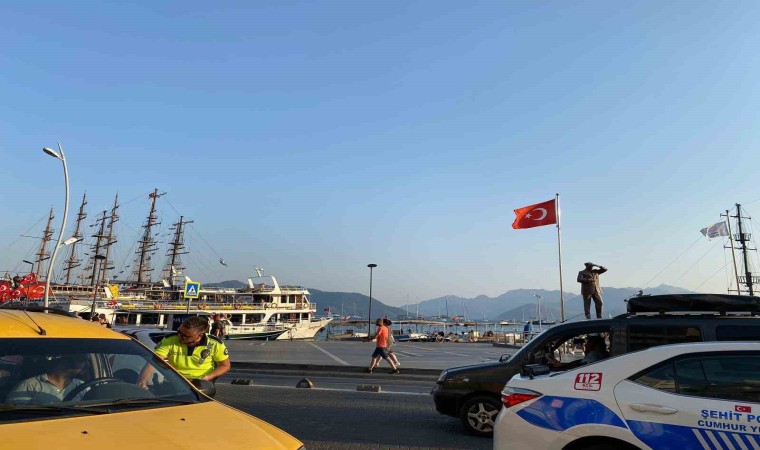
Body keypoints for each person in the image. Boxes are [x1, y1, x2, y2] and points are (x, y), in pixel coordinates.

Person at [137, 316, 231, 388]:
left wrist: (207, 378)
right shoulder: (170, 340)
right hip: (174, 382)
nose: (180, 337)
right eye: (179, 332)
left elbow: (225, 366)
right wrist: (142, 381)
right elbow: (154, 362)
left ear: (200, 336)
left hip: (201, 383)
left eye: (186, 336)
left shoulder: (215, 343)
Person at [6, 354, 88, 404]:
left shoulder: (82, 386)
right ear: (64, 362)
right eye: (81, 360)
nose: (86, 365)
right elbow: (13, 416)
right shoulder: (29, 385)